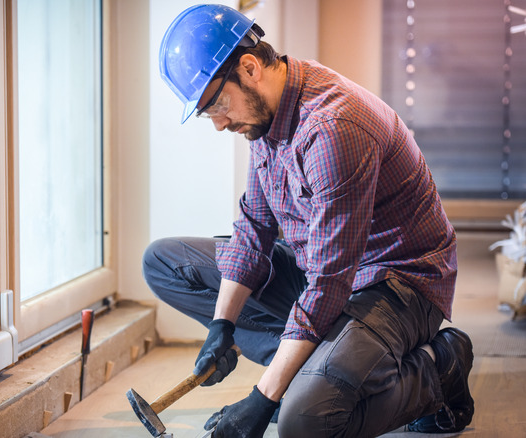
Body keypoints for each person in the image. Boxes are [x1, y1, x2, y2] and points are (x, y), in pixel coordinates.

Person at [143, 4, 475, 437]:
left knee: (305, 422)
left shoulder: (334, 128)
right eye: (208, 113)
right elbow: (254, 226)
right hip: (322, 269)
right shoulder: (264, 117)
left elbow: (329, 281)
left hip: (396, 283)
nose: (219, 124)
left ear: (249, 67)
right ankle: (317, 366)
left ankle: (439, 367)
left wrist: (263, 399)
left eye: (218, 105)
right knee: (165, 263)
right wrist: (222, 326)